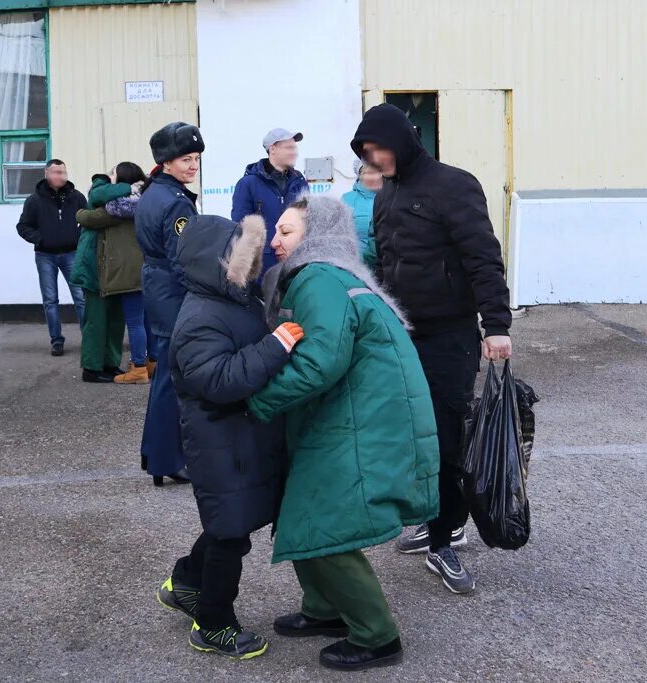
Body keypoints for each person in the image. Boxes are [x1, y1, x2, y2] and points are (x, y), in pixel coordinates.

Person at [247, 195, 440, 672]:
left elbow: (320, 362)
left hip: (361, 418)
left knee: (322, 519)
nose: (275, 241)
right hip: (360, 411)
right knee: (306, 514)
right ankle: (326, 609)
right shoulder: (334, 274)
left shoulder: (317, 278)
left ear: (315, 237)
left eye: (287, 232)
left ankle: (377, 637)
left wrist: (256, 401)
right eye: (276, 230)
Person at [351, 103, 513, 594]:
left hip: (450, 335)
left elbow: (484, 258)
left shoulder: (453, 184)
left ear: (402, 140)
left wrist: (497, 325)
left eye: (378, 149)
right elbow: (386, 262)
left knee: (445, 436)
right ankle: (435, 520)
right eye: (365, 153)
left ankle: (445, 538)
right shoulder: (386, 193)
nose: (374, 159)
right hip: (405, 332)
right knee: (413, 435)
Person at [156, 213, 304, 660]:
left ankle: (184, 581)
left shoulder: (235, 299)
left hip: (241, 435)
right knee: (229, 532)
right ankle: (214, 623)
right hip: (219, 441)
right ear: (217, 261)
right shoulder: (199, 318)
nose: (255, 261)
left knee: (232, 522)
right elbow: (219, 381)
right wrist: (274, 346)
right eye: (244, 254)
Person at [135, 121, 204, 487]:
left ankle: (157, 454)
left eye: (195, 159)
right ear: (166, 162)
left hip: (158, 288)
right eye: (185, 160)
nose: (192, 166)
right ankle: (168, 458)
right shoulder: (175, 202)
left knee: (165, 373)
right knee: (172, 378)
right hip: (173, 293)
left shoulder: (155, 193)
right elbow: (184, 259)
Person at [73, 162, 151, 384]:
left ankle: (109, 364)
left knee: (115, 320)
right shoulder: (104, 192)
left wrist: (80, 214)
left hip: (115, 271)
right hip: (95, 270)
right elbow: (97, 201)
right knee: (97, 321)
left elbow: (88, 217)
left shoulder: (119, 206)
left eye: (114, 173)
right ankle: (91, 368)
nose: (110, 175)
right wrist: (134, 188)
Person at [16, 159, 88, 356]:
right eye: (56, 172)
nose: (61, 176)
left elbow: (88, 220)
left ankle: (89, 338)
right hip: (45, 255)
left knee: (81, 298)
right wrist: (40, 239)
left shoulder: (76, 197)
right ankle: (56, 340)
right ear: (47, 173)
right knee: (50, 300)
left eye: (63, 172)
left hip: (71, 254)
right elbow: (23, 226)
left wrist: (79, 238)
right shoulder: (34, 200)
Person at [231, 128, 309, 274]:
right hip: (263, 268)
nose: (294, 152)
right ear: (272, 149)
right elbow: (240, 227)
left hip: (294, 262)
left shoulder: (299, 181)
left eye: (295, 148)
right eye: (289, 147)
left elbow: (307, 220)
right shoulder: (248, 184)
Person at [340, 159, 383, 268]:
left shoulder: (390, 197)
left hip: (387, 265)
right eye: (367, 173)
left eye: (377, 171)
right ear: (359, 175)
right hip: (358, 266)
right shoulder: (347, 199)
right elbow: (340, 235)